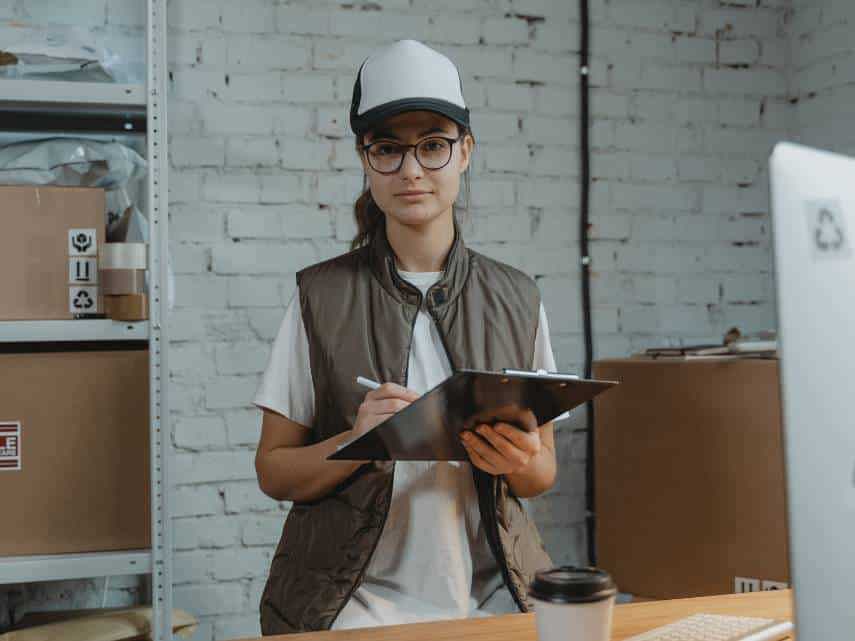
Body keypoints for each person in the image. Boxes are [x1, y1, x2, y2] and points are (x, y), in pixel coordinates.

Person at [253, 39, 564, 635]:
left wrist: (516, 459)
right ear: (365, 159)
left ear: (465, 151)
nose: (412, 170)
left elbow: (540, 473)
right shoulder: (319, 298)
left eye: (433, 146)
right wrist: (358, 442)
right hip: (348, 609)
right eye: (388, 149)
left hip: (495, 598)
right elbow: (273, 470)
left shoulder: (517, 297)